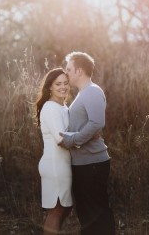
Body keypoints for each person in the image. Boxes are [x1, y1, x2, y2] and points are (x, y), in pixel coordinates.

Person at [59, 51, 115, 235]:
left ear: (80, 71)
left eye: (69, 69)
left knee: (96, 213)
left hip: (93, 163)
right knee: (87, 214)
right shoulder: (84, 93)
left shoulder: (92, 91)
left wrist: (72, 140)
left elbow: (97, 123)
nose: (66, 73)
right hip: (84, 163)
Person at [35, 68, 73, 235]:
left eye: (65, 83)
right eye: (58, 84)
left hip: (63, 165)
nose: (63, 87)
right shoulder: (50, 107)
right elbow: (61, 139)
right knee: (56, 211)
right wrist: (87, 139)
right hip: (54, 165)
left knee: (65, 207)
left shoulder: (63, 106)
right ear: (49, 86)